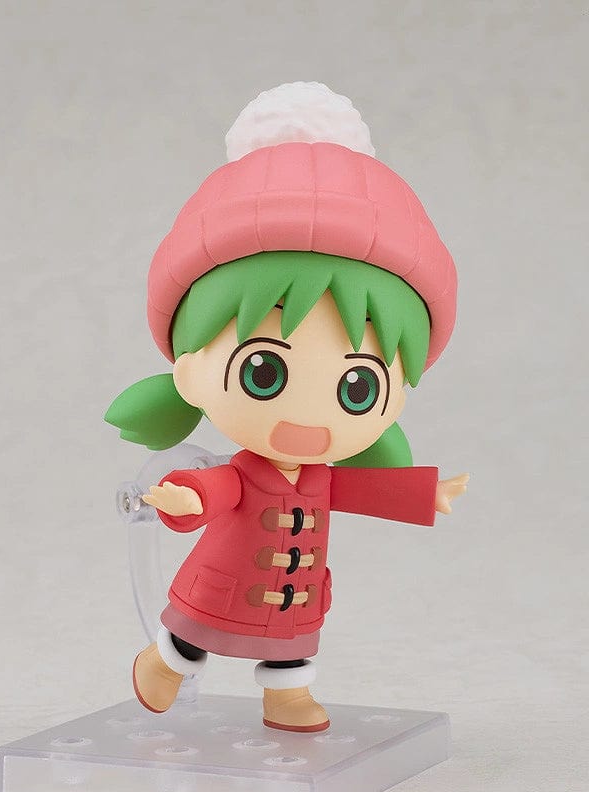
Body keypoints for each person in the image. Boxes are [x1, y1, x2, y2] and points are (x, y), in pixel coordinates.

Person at [106, 82, 468, 733]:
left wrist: (425, 494)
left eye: (357, 388)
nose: (308, 419)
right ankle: (161, 664)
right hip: (223, 580)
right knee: (191, 637)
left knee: (293, 647)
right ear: (189, 370)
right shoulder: (248, 471)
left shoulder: (324, 476)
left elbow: (363, 490)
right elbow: (216, 487)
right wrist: (185, 496)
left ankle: (287, 698)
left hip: (295, 593)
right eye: (264, 371)